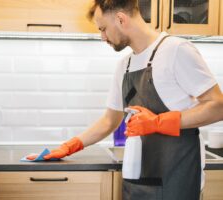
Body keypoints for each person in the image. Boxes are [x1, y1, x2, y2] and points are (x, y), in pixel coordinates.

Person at [27, 0, 223, 199]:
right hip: (138, 180)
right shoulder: (125, 65)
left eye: (103, 28)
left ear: (121, 19)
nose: (102, 37)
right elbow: (109, 121)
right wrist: (67, 147)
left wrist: (157, 122)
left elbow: (217, 106)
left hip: (177, 180)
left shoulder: (176, 50)